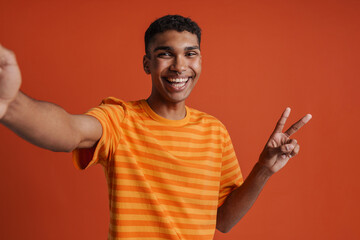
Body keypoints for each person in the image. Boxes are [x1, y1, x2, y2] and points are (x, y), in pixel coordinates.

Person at [0, 15, 312, 240]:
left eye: (190, 54)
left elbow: (224, 221)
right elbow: (68, 131)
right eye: (165, 54)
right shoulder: (120, 119)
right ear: (147, 63)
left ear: (201, 61)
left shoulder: (214, 131)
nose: (179, 66)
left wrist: (263, 169)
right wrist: (9, 104)